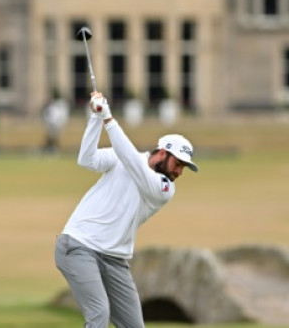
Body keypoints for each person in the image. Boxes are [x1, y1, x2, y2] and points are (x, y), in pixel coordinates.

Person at [55, 92, 198, 328]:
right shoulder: (123, 157)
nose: (179, 172)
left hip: (115, 259)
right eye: (178, 163)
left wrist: (109, 120)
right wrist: (96, 118)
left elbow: (134, 164)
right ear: (162, 152)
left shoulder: (164, 189)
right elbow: (86, 159)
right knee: (99, 314)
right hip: (78, 245)